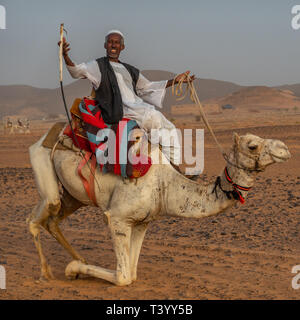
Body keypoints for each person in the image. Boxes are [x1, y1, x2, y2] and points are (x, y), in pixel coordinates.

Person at [58, 30, 195, 171]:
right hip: (119, 110)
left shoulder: (130, 70)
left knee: (168, 130)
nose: (113, 45)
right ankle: (172, 170)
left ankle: (171, 169)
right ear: (105, 45)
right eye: (110, 42)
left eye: (117, 42)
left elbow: (147, 87)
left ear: (122, 47)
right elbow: (77, 71)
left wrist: (175, 81)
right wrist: (66, 56)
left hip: (139, 108)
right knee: (161, 123)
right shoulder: (97, 66)